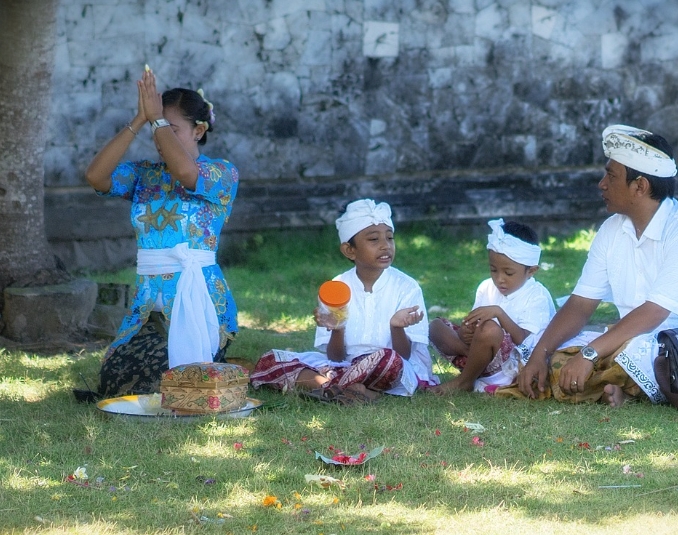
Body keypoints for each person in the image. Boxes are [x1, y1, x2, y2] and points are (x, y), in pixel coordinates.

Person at [498, 124, 678, 407]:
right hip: (633, 340)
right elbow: (580, 304)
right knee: (548, 347)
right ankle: (615, 387)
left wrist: (588, 354)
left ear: (640, 186)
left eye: (611, 176)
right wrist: (540, 353)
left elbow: (653, 313)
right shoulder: (612, 229)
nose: (602, 184)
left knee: (634, 354)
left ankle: (618, 385)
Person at [85, 66, 239, 397]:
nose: (159, 139)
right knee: (116, 378)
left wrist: (156, 122)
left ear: (199, 131)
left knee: (169, 380)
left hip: (202, 307)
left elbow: (186, 173)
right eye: (155, 130)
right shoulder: (145, 175)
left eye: (170, 129)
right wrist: (139, 120)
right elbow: (96, 176)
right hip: (148, 308)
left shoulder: (222, 173)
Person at [249, 199, 439, 403]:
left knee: (388, 360)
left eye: (390, 238)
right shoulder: (336, 287)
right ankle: (355, 390)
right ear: (350, 250)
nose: (385, 246)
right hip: (345, 366)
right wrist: (338, 328)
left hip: (392, 367)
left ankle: (330, 387)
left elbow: (404, 356)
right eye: (374, 239)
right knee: (271, 359)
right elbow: (335, 358)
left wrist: (396, 327)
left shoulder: (407, 287)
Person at [428, 219, 555, 394]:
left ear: (531, 270)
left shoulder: (537, 296)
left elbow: (524, 340)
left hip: (513, 363)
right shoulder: (486, 287)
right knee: (435, 326)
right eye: (493, 270)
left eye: (508, 272)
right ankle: (474, 359)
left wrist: (499, 313)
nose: (499, 278)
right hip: (481, 352)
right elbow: (473, 324)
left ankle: (465, 381)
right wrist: (465, 331)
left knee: (490, 329)